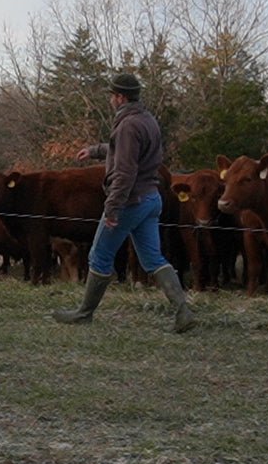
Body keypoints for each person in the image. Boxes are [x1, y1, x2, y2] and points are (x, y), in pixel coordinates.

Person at [52, 73, 195, 332]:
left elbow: (126, 171)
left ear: (120, 97)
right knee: (152, 257)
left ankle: (84, 313)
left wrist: (112, 208)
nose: (110, 100)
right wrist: (96, 150)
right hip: (152, 198)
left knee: (99, 255)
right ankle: (183, 311)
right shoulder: (146, 119)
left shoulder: (128, 125)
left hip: (132, 201)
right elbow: (128, 151)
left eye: (111, 95)